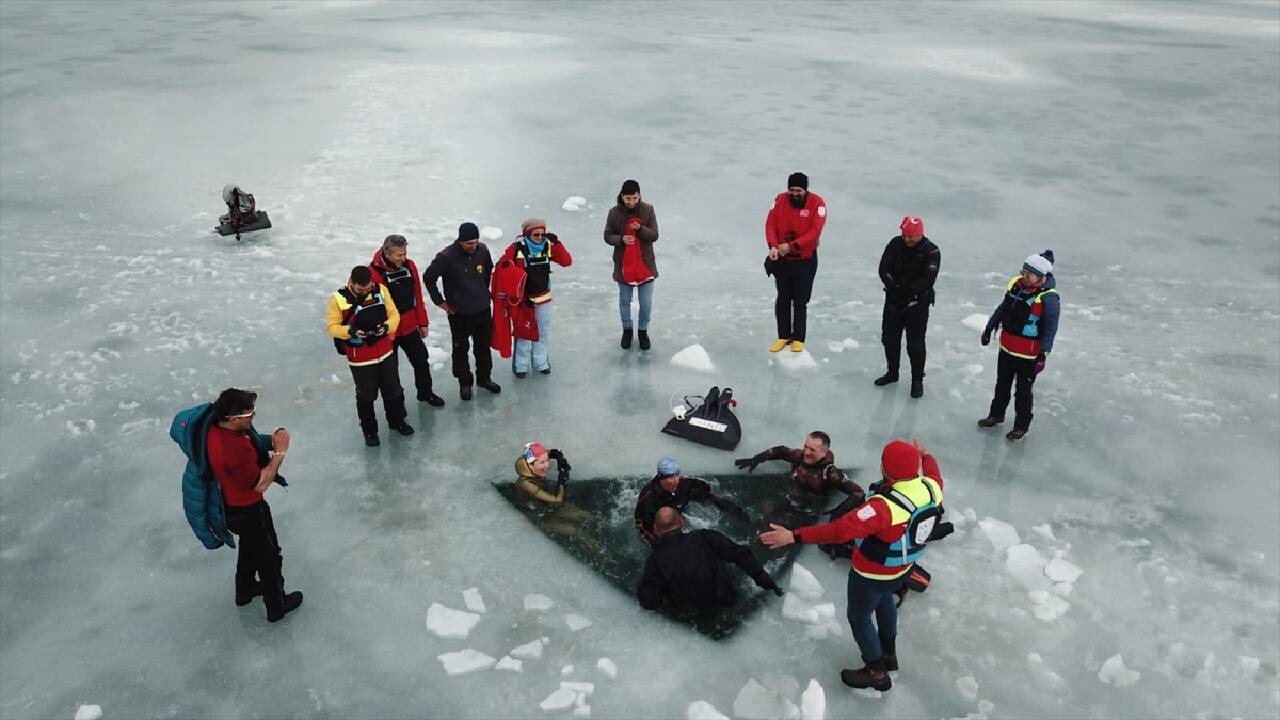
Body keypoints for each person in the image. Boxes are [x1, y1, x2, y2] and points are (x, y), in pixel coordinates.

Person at [760, 438, 945, 692]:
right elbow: (934, 473)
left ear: (885, 468)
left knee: (859, 618)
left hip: (871, 573)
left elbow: (840, 531)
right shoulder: (931, 488)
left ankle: (876, 672)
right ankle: (889, 654)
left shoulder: (883, 508)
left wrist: (793, 536)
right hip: (902, 568)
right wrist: (925, 455)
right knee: (885, 601)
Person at [170, 389, 302, 622]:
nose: (253, 417)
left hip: (229, 507)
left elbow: (250, 439)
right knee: (269, 556)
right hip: (247, 510)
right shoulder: (231, 451)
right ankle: (276, 606)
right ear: (233, 419)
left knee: (251, 546)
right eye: (250, 414)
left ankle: (245, 589)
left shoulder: (214, 424)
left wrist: (270, 441)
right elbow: (260, 483)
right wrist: (279, 453)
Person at [978, 250, 1060, 442]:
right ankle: (996, 416)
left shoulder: (1049, 298)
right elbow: (1003, 308)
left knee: (1023, 392)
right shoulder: (1016, 286)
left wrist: (1043, 354)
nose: (1024, 276)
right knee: (1002, 385)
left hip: (1028, 355)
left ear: (1041, 277)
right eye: (1023, 271)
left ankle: (1021, 426)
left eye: (1029, 274)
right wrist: (989, 327)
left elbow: (1050, 328)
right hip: (1006, 348)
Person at [326, 265, 413, 447]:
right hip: (361, 359)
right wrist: (351, 331)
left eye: (367, 288)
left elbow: (394, 314)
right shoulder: (338, 300)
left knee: (393, 389)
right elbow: (332, 327)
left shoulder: (380, 290)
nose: (365, 292)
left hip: (385, 352)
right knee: (366, 396)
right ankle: (370, 431)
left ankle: (397, 421)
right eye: (360, 289)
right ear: (352, 283)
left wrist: (387, 327)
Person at [637, 507, 783, 613]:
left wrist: (642, 584)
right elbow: (741, 554)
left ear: (655, 529)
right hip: (726, 599)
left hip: (690, 612)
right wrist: (764, 579)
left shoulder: (654, 561)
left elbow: (650, 602)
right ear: (681, 522)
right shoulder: (705, 537)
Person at [423, 222, 501, 401]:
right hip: (459, 314)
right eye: (469, 243)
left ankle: (484, 379)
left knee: (483, 347)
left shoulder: (483, 250)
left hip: (481, 310)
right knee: (461, 349)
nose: (473, 246)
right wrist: (440, 302)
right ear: (460, 241)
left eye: (476, 242)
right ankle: (465, 382)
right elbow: (429, 277)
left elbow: (488, 269)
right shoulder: (446, 256)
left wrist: (483, 290)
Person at [369, 234, 444, 407]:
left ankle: (425, 393)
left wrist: (422, 322)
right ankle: (397, 409)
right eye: (399, 255)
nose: (403, 258)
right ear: (387, 254)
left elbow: (417, 295)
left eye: (404, 254)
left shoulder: (410, 266)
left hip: (410, 326)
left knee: (421, 361)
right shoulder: (373, 273)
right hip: (389, 332)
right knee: (390, 373)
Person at [875, 216, 941, 398]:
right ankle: (892, 372)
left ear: (920, 233)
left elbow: (927, 280)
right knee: (889, 339)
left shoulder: (932, 251)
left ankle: (917, 380)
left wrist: (906, 292)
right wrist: (895, 289)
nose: (907, 239)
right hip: (893, 300)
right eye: (904, 235)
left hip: (917, 305)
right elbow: (883, 269)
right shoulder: (895, 244)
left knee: (916, 345)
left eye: (911, 236)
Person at [501, 218, 573, 377]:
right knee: (524, 333)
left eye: (543, 234)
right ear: (527, 234)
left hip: (543, 299)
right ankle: (521, 366)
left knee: (542, 332)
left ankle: (541, 362)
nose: (540, 237)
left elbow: (566, 262)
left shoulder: (548, 246)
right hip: (524, 301)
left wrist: (558, 244)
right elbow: (503, 268)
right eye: (536, 234)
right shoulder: (516, 248)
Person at [764, 171, 827, 353]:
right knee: (783, 299)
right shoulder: (780, 200)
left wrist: (792, 246)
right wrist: (774, 247)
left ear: (805, 190)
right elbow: (770, 224)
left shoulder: (818, 203)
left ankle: (798, 338)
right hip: (783, 260)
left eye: (798, 190)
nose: (794, 194)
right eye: (791, 190)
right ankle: (783, 335)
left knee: (800, 301)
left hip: (805, 261)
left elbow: (815, 231)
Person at [634, 457, 751, 542]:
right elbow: (642, 525)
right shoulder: (649, 498)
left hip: (679, 516)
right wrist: (661, 547)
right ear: (661, 479)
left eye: (677, 475)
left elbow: (710, 496)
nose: (676, 480)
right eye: (670, 477)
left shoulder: (685, 484)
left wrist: (736, 511)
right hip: (661, 527)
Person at [603, 179, 660, 351]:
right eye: (628, 199)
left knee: (646, 303)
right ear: (622, 196)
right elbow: (607, 235)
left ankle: (643, 332)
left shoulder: (648, 210)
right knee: (624, 301)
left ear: (639, 195)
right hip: (624, 266)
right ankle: (627, 330)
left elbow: (655, 235)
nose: (631, 202)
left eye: (634, 198)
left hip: (645, 265)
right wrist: (621, 239)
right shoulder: (614, 213)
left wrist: (641, 229)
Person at [734, 430, 864, 500]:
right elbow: (780, 451)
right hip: (791, 492)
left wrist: (838, 512)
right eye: (805, 446)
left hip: (810, 504)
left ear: (824, 452)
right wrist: (757, 458)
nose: (806, 452)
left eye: (812, 450)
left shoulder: (830, 473)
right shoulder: (799, 455)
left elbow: (858, 492)